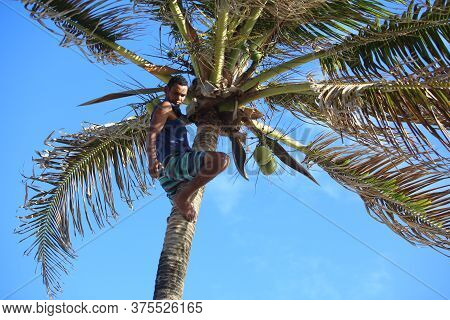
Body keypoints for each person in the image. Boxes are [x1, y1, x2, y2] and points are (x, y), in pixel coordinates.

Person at [146, 75, 230, 222]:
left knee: (180, 219)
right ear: (166, 90)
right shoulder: (164, 107)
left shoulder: (176, 113)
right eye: (175, 93)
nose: (179, 98)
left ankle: (179, 202)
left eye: (183, 95)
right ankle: (183, 197)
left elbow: (189, 119)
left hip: (167, 177)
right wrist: (151, 160)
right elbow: (153, 133)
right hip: (173, 163)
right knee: (221, 160)